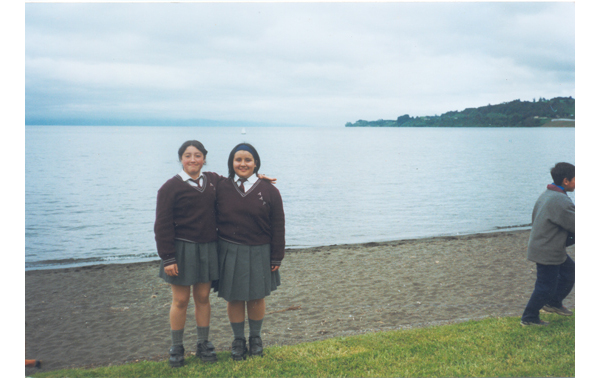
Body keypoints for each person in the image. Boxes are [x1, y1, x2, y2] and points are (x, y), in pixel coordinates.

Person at [154, 140, 221, 367]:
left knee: (203, 298)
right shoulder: (169, 187)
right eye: (187, 155)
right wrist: (168, 257)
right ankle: (177, 347)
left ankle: (203, 344)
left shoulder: (212, 181)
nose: (193, 159)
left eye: (198, 155)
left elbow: (237, 181)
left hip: (207, 247)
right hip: (181, 250)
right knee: (180, 300)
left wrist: (260, 178)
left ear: (204, 158)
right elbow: (162, 225)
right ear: (181, 159)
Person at [216, 143, 285, 360]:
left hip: (260, 250)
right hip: (229, 249)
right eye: (238, 160)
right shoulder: (220, 187)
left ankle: (255, 338)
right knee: (235, 298)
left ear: (256, 163)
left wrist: (276, 255)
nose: (243, 164)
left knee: (256, 297)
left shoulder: (270, 191)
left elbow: (278, 226)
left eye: (248, 160)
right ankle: (238, 340)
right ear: (231, 163)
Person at [521, 162, 575, 326]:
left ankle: (554, 303)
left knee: (569, 273)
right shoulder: (560, 201)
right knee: (545, 286)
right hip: (547, 250)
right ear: (566, 181)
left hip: (547, 246)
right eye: (576, 179)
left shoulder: (549, 193)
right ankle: (529, 318)